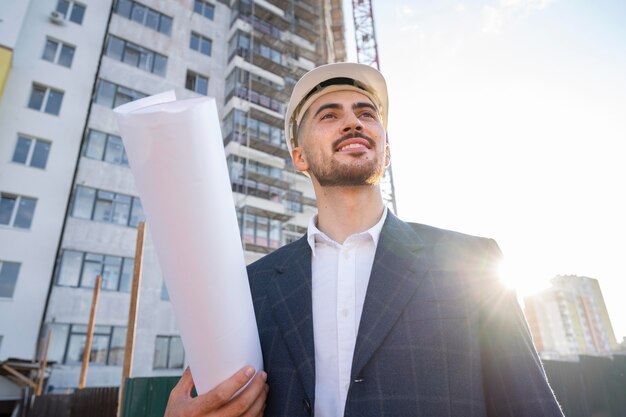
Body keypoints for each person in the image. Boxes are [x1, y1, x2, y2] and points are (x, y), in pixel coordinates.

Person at [165, 63, 564, 417]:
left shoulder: (472, 263)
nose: (353, 122)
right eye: (329, 115)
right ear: (299, 157)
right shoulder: (251, 288)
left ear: (385, 152)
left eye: (366, 114)